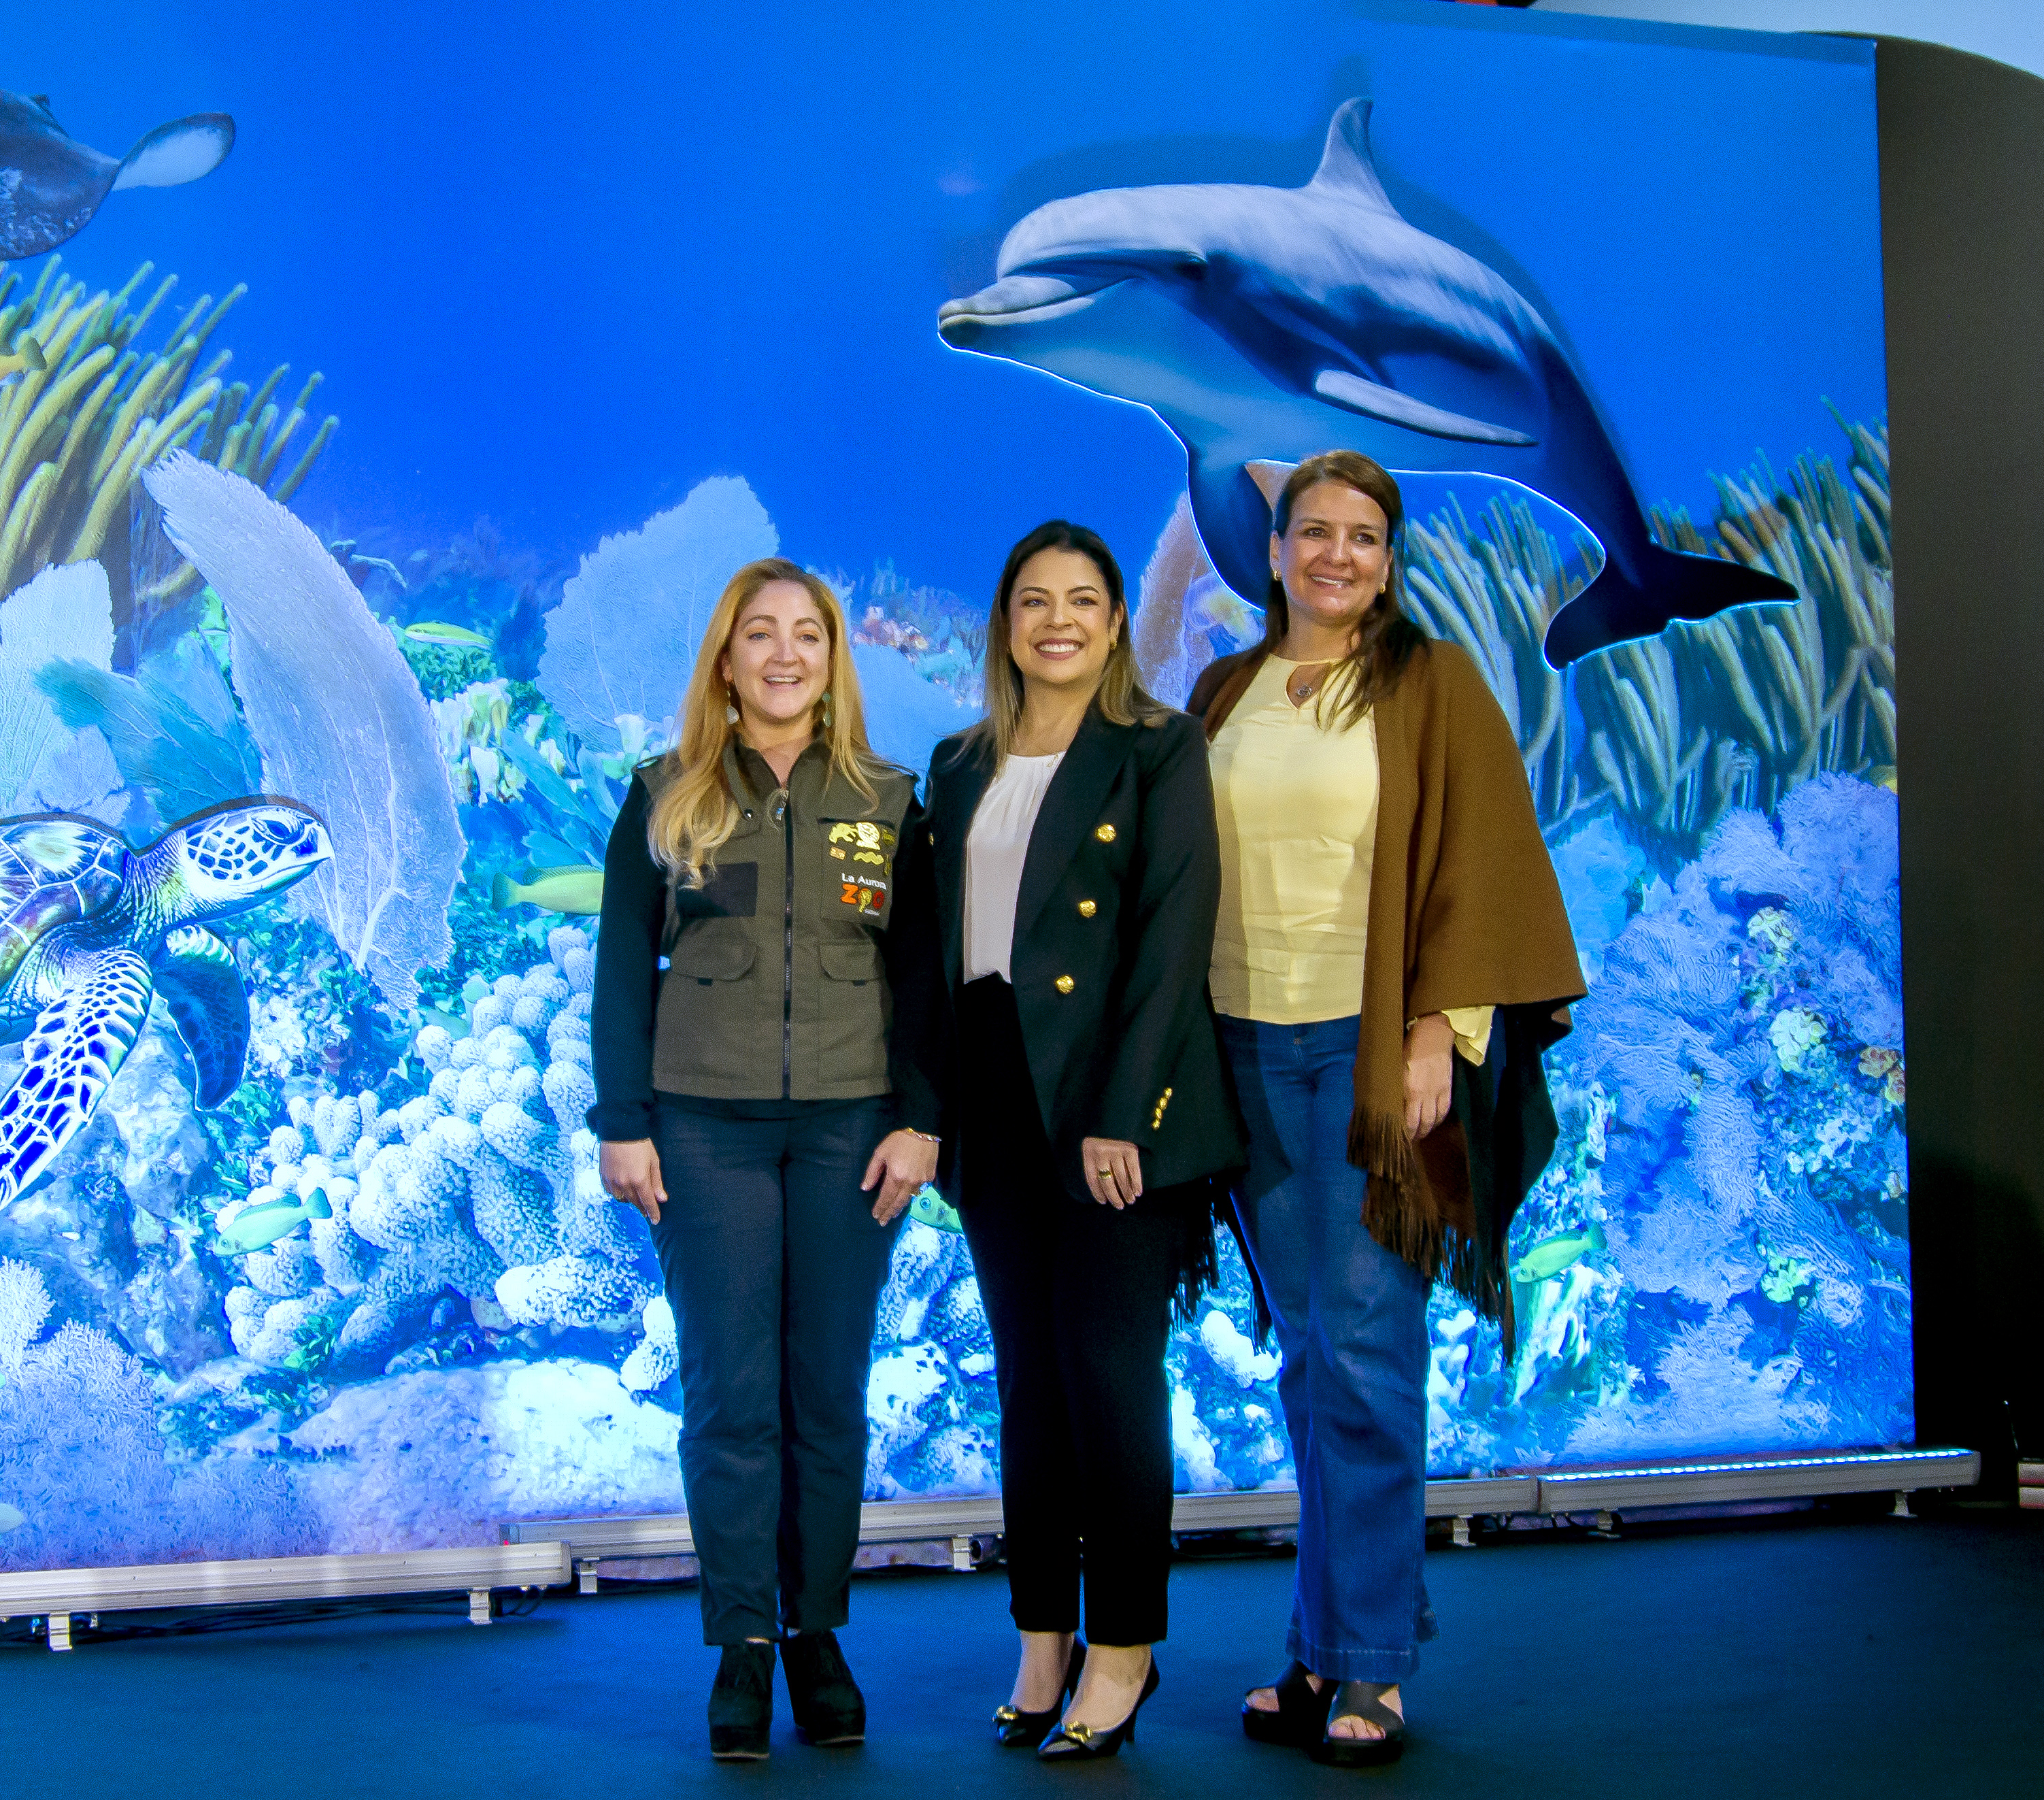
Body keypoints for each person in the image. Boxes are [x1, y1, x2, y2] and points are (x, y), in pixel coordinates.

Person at [1190, 450, 1582, 1769]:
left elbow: (1477, 857)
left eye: (1362, 535)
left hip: (1362, 1062)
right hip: (1242, 1051)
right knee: (1309, 1359)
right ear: (1276, 548)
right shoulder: (1225, 690)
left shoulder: (1429, 685)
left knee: (1363, 1352)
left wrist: (1433, 1028)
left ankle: (1369, 1673)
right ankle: (1330, 1644)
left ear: (1388, 556)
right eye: (1313, 531)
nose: (1335, 555)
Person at [590, 556, 945, 1761]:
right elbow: (619, 966)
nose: (784, 653)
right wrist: (619, 1121)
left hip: (852, 1131)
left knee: (825, 1399)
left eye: (807, 634)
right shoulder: (662, 795)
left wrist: (922, 1118)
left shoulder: (893, 800)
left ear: (833, 658)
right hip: (702, 1128)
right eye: (759, 634)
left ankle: (817, 1633)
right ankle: (741, 1641)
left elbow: (924, 979)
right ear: (725, 658)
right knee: (730, 1398)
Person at [924, 520, 1239, 1763]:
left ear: (1115, 621)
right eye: (1033, 599)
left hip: (1121, 1102)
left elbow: (1172, 938)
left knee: (1109, 1378)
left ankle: (1125, 1645)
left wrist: (1125, 1115)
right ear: (1004, 621)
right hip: (993, 1102)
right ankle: (1040, 1634)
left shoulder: (1159, 750)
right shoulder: (954, 764)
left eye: (1085, 599)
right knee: (1028, 1384)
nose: (1059, 619)